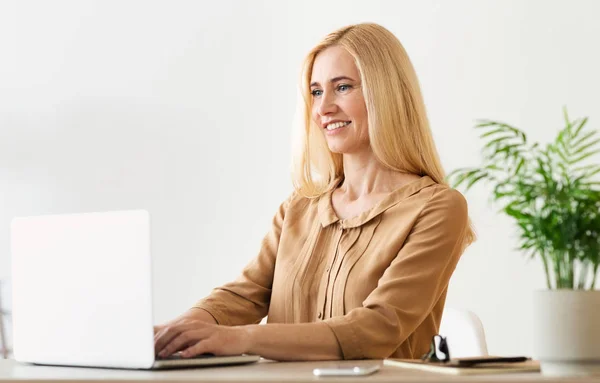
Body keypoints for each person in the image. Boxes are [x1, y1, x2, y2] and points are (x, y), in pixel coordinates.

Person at [153, 22, 475, 362]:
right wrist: (175, 332)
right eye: (316, 92)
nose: (323, 108)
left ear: (386, 93)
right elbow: (245, 296)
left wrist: (240, 338)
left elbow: (377, 328)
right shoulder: (299, 207)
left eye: (343, 87)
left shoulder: (437, 208)